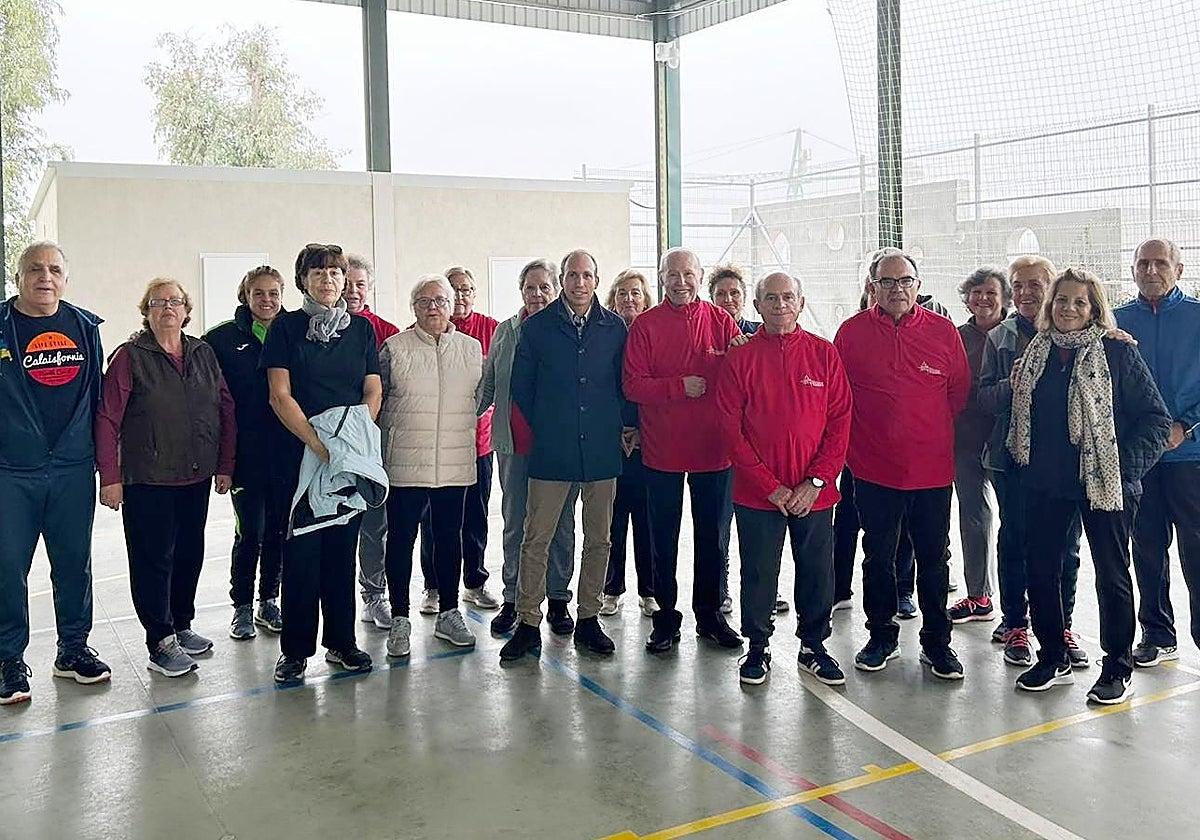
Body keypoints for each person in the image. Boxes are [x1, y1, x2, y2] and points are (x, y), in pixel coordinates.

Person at [1008, 267, 1170, 703]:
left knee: (1112, 576)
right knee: (1041, 571)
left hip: (1106, 485)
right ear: (1050, 304)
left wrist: (1123, 467)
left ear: (1094, 309)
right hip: (1047, 483)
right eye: (1062, 300)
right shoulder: (1037, 352)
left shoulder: (1117, 352)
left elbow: (1156, 420)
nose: (1069, 309)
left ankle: (1117, 666)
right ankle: (1052, 658)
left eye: (1079, 302)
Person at [833, 247, 970, 679]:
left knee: (934, 559)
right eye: (887, 281)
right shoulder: (851, 333)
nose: (897, 289)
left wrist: (922, 431)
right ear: (872, 287)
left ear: (918, 286)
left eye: (905, 281)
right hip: (872, 469)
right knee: (877, 556)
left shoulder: (943, 332)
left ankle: (937, 643)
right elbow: (838, 396)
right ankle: (881, 636)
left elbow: (957, 393)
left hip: (931, 471)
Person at [96, 278, 236, 677]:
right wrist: (110, 476)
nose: (168, 308)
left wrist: (225, 463)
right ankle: (159, 641)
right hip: (147, 478)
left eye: (175, 301)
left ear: (186, 310)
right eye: (159, 302)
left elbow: (225, 408)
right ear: (147, 311)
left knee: (189, 554)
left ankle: (181, 624)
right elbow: (107, 418)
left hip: (195, 474)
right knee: (152, 560)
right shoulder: (129, 357)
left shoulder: (203, 353)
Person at [716, 272, 851, 685]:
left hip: (814, 494)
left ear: (801, 303)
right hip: (758, 494)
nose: (780, 305)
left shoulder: (824, 354)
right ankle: (757, 646)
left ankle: (814, 646)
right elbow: (730, 429)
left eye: (787, 297)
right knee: (758, 572)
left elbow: (840, 422)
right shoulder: (740, 358)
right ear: (757, 306)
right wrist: (769, 486)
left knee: (817, 570)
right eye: (771, 298)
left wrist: (816, 482)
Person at [500, 249, 630, 661]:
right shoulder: (537, 328)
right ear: (563, 281)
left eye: (586, 275)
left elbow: (622, 383)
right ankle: (528, 622)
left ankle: (589, 617)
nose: (579, 282)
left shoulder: (614, 328)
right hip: (552, 449)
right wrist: (550, 423)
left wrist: (618, 425)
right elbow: (522, 387)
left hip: (601, 448)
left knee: (599, 538)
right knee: (536, 537)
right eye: (572, 275)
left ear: (596, 280)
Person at [262, 243, 381, 684]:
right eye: (318, 272)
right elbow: (280, 395)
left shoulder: (362, 330)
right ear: (303, 280)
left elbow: (373, 390)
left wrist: (350, 443)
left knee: (340, 552)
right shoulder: (286, 328)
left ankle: (342, 643)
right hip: (300, 455)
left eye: (335, 272)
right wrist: (318, 444)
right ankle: (294, 652)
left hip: (347, 458)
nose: (328, 280)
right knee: (301, 554)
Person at [0, 242, 111, 705]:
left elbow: (99, 399)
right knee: (8, 567)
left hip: (71, 467)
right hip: (11, 471)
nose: (45, 277)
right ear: (18, 277)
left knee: (73, 564)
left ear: (65, 279)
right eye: (35, 269)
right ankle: (8, 659)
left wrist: (107, 465)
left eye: (54, 270)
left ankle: (73, 649)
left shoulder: (84, 327)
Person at [624, 247, 742, 653]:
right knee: (663, 539)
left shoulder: (721, 321)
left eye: (688, 274)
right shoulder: (646, 325)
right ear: (661, 278)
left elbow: (740, 376)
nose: (680, 282)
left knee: (713, 539)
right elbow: (632, 385)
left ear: (700, 276)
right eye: (672, 275)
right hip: (663, 452)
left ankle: (710, 617)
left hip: (714, 451)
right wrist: (679, 387)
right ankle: (665, 620)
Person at [978, 256, 1088, 669]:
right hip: (1011, 460)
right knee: (1016, 540)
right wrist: (1012, 385)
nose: (1025, 293)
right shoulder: (1001, 338)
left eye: (1035, 284)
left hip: (1065, 461)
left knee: (1067, 546)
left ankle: (1061, 626)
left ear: (1052, 287)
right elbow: (983, 398)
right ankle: (1015, 624)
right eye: (1018, 285)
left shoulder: (1076, 335)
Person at [376, 274, 483, 656]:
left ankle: (449, 613)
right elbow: (378, 400)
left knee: (449, 538)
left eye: (440, 300)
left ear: (452, 305)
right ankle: (400, 618)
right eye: (424, 301)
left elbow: (479, 398)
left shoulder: (471, 349)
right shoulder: (394, 348)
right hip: (405, 462)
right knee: (401, 540)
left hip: (454, 462)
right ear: (414, 308)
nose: (432, 307)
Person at [478, 260, 579, 635]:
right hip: (514, 444)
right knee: (516, 524)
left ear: (556, 290)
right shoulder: (506, 331)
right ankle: (514, 600)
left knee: (560, 525)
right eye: (530, 287)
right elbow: (489, 385)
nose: (537, 294)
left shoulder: (568, 329)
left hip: (559, 447)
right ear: (521, 291)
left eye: (544, 287)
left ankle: (558, 599)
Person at [1115, 239, 1200, 667]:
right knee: (1147, 548)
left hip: (1191, 459)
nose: (1151, 271)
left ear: (1178, 270)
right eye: (1143, 264)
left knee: (1196, 549)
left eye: (1160, 263)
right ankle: (1157, 632)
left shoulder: (1197, 317)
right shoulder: (1116, 322)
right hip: (1140, 460)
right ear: (1132, 270)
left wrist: (1188, 426)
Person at [204, 266, 287, 641]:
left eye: (273, 293)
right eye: (259, 293)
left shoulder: (293, 332)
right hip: (245, 456)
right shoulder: (221, 339)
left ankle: (269, 600)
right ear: (246, 296)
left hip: (286, 453)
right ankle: (241, 606)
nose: (266, 300)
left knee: (279, 531)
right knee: (250, 531)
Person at [414, 266, 501, 614]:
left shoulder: (492, 329)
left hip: (479, 443)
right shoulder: (428, 332)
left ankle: (474, 582)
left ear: (474, 294)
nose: (461, 296)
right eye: (455, 290)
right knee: (433, 519)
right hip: (437, 445)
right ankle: (433, 586)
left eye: (467, 289)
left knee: (476, 516)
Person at [707, 263, 789, 616]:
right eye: (720, 294)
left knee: (763, 528)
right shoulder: (709, 333)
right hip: (724, 448)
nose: (728, 299)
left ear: (747, 299)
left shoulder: (761, 331)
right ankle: (721, 587)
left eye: (734, 293)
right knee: (721, 524)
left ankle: (768, 588)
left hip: (762, 452)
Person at [343, 254, 400, 632]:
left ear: (370, 289)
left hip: (375, 443)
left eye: (360, 285)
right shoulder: (315, 331)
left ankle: (374, 593)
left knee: (375, 523)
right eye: (347, 284)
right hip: (331, 443)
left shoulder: (387, 333)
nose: (352, 291)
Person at [947, 267, 1008, 624]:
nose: (983, 299)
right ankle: (978, 595)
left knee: (1014, 522)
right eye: (976, 293)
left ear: (1004, 299)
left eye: (991, 293)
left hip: (1007, 439)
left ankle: (1021, 605)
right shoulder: (955, 337)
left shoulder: (1016, 333)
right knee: (972, 516)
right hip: (966, 438)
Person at [599, 269, 657, 617]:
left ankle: (649, 591)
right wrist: (617, 429)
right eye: (622, 293)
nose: (629, 299)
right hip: (612, 442)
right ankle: (611, 588)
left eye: (635, 293)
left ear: (645, 299)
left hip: (649, 441)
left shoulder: (652, 333)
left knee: (647, 521)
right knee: (613, 520)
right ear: (613, 299)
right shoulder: (606, 335)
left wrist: (641, 430)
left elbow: (654, 385)